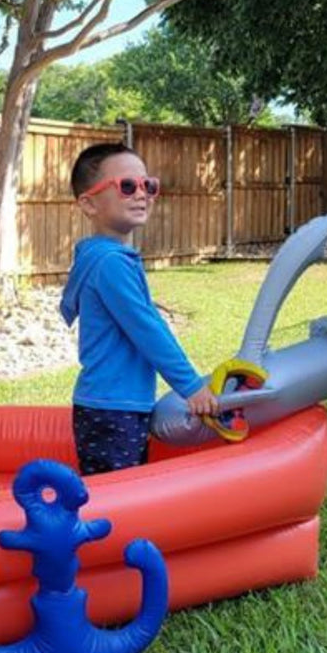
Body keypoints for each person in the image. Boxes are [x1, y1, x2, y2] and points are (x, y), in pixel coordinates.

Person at [60, 142, 219, 476]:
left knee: (119, 494)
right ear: (89, 204)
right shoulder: (109, 264)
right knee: (116, 500)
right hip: (113, 409)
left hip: (113, 405)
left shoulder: (104, 258)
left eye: (149, 185)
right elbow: (147, 330)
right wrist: (190, 385)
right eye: (127, 186)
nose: (142, 194)